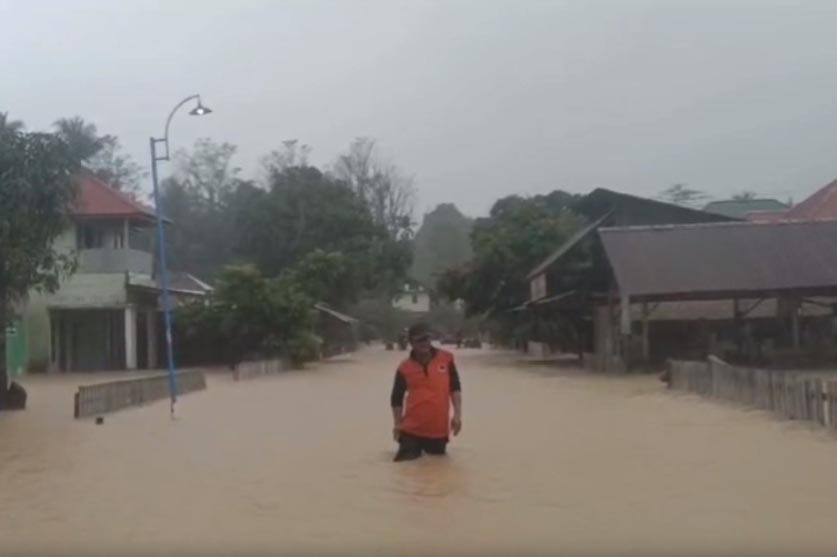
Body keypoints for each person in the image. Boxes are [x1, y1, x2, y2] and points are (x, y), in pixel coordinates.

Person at [390, 323, 463, 462]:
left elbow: (455, 388)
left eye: (427, 339)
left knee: (437, 471)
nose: (424, 343)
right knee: (404, 471)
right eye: (420, 340)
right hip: (410, 430)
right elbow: (396, 399)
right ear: (411, 342)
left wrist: (457, 415)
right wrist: (397, 423)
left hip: (438, 431)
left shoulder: (446, 359)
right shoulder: (404, 368)